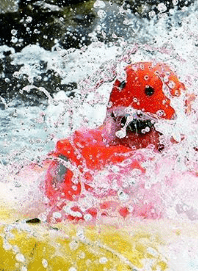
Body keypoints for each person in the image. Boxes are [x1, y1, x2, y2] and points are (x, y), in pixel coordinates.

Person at [42, 61, 190, 221]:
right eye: (122, 122)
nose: (127, 136)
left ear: (167, 130)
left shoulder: (185, 169)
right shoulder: (78, 152)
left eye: (140, 127)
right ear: (110, 120)